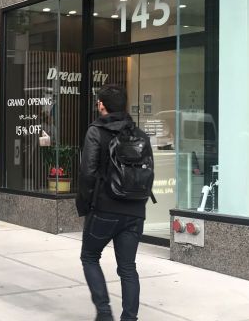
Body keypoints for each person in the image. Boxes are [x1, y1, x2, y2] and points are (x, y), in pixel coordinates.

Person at [76, 84, 151, 321]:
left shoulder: (96, 131)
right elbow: (148, 173)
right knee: (128, 268)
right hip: (135, 211)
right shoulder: (140, 134)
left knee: (89, 257)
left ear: (101, 105)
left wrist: (84, 206)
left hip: (105, 208)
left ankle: (104, 313)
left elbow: (87, 173)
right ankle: (130, 318)